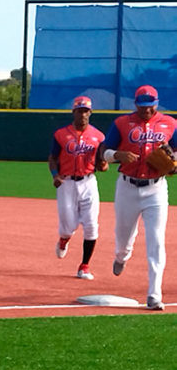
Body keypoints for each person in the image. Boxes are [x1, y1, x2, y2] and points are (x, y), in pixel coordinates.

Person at [99, 85, 177, 311]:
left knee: (156, 240)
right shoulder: (122, 123)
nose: (147, 110)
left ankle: (154, 294)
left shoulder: (170, 124)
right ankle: (122, 256)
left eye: (151, 106)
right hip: (127, 187)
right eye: (143, 106)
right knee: (123, 238)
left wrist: (173, 164)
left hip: (156, 189)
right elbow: (104, 151)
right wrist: (117, 155)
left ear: (157, 103)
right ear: (136, 104)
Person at [48, 95, 107, 280]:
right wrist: (55, 175)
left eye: (86, 111)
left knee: (91, 226)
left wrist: (103, 165)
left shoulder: (98, 136)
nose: (83, 114)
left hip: (88, 182)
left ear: (90, 113)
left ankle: (84, 266)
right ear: (73, 112)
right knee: (68, 226)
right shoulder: (61, 134)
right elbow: (52, 158)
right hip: (66, 183)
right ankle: (64, 239)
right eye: (80, 111)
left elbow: (101, 162)